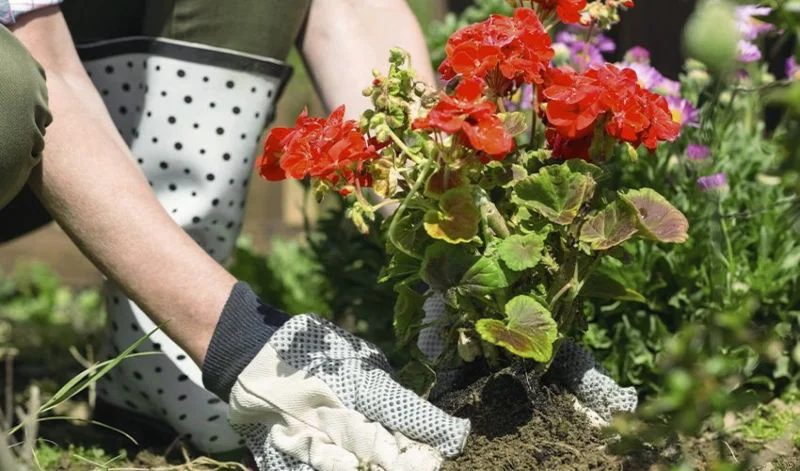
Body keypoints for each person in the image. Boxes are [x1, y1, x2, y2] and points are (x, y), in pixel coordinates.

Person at [0, 1, 636, 469]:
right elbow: (48, 72)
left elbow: (352, 6)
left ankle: (151, 352)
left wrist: (460, 275)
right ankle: (186, 329)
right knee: (10, 90)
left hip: (79, 101)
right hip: (26, 133)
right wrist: (240, 343)